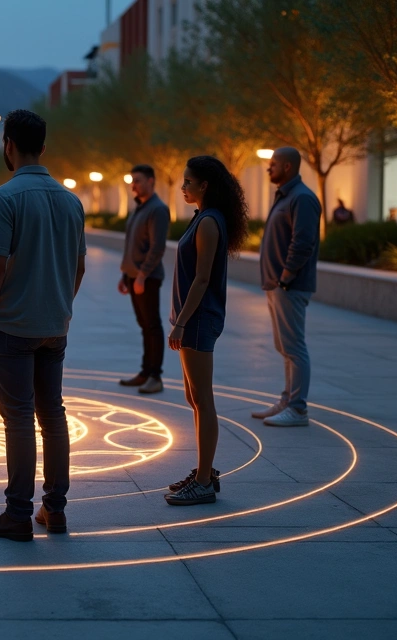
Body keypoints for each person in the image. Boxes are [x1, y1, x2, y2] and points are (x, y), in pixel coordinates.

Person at [0, 109, 86, 541]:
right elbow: (78, 266)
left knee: (18, 418)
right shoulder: (70, 199)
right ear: (43, 145)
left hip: (13, 328)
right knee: (52, 415)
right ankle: (54, 510)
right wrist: (59, 305)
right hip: (55, 325)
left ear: (8, 145)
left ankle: (18, 513)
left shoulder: (5, 197)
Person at [165, 155, 251, 506]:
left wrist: (182, 322)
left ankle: (203, 481)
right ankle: (204, 472)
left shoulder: (209, 223)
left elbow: (202, 279)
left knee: (203, 400)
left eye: (188, 182)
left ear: (205, 186)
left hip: (199, 320)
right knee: (194, 399)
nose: (183, 187)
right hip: (192, 319)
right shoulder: (203, 217)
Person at [254, 147, 321, 428]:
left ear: (288, 167)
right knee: (285, 347)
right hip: (278, 285)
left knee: (294, 347)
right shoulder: (286, 195)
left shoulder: (302, 198)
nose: (268, 168)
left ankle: (297, 409)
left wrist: (286, 276)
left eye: (273, 164)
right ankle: (287, 400)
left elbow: (303, 242)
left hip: (289, 286)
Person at [117, 164, 169, 395]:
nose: (133, 185)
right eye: (132, 181)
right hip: (133, 277)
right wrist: (125, 274)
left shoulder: (157, 209)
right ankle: (145, 372)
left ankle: (155, 376)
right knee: (144, 326)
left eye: (137, 180)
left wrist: (142, 275)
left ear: (151, 181)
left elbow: (157, 248)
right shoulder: (140, 208)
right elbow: (133, 245)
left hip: (146, 279)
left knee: (152, 326)